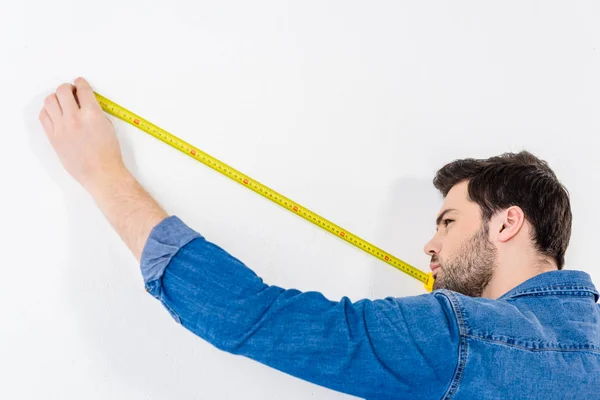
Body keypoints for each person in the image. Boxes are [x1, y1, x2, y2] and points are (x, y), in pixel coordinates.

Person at [39, 78, 600, 400]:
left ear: (507, 223)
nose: (428, 248)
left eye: (448, 222)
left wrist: (103, 176)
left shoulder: (458, 333)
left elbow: (253, 318)